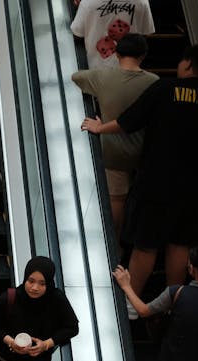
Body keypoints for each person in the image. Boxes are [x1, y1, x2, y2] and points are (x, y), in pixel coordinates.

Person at [82, 45, 198, 305]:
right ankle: (173, 302)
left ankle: (132, 303)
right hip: (196, 187)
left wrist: (100, 127)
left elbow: (129, 121)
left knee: (146, 244)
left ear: (188, 64)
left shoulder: (165, 89)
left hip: (157, 181)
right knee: (180, 244)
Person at [72, 34, 159, 243]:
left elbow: (76, 77)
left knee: (117, 198)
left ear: (117, 52)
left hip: (113, 151)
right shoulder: (154, 82)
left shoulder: (103, 77)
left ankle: (113, 243)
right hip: (145, 152)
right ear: (144, 55)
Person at [70, 0, 154, 69]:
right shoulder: (142, 2)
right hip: (130, 69)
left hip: (96, 69)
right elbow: (145, 35)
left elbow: (77, 34)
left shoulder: (87, 3)